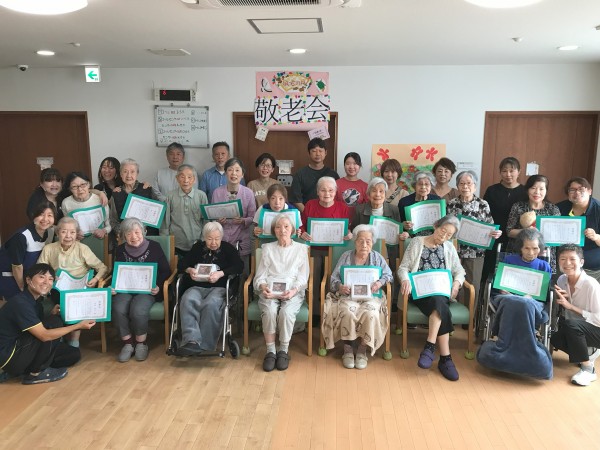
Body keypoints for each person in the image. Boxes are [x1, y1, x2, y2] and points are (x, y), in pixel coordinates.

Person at [477, 228, 553, 379]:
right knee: (514, 301)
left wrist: (529, 297)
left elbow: (544, 296)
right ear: (520, 248)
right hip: (507, 298)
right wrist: (503, 290)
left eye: (535, 248)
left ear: (540, 248)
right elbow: (499, 286)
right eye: (527, 248)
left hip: (532, 302)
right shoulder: (509, 260)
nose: (531, 252)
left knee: (525, 303)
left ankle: (506, 350)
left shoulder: (544, 266)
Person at [0, 264, 95, 385]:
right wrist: (78, 326)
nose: (46, 282)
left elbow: (36, 328)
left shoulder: (36, 303)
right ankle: (35, 373)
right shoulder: (20, 303)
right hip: (10, 356)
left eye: (50, 279)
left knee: (72, 354)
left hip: (23, 347)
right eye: (41, 277)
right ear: (28, 280)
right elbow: (44, 335)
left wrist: (51, 314)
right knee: (55, 322)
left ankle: (24, 370)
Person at [398, 215, 465, 381]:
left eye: (449, 235)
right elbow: (403, 267)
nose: (444, 236)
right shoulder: (417, 242)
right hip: (420, 292)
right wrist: (405, 280)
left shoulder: (449, 247)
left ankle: (430, 347)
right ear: (436, 226)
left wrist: (456, 284)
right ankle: (445, 358)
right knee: (440, 304)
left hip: (441, 292)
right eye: (443, 231)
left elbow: (459, 271)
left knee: (439, 300)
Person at [321, 224, 393, 369]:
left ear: (373, 242)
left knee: (371, 313)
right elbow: (334, 278)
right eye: (361, 241)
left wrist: (379, 283)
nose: (364, 245)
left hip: (371, 297)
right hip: (348, 297)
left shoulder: (377, 257)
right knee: (347, 311)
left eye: (368, 241)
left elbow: (389, 275)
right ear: (355, 242)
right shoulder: (346, 256)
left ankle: (362, 349)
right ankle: (347, 349)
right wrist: (340, 287)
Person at [37, 217, 109, 348]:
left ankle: (73, 341)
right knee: (63, 302)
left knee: (74, 302)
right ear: (57, 233)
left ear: (77, 234)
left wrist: (95, 279)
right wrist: (50, 277)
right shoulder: (49, 248)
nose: (68, 236)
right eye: (64, 232)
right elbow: (40, 270)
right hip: (58, 287)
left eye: (72, 232)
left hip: (80, 287)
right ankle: (59, 337)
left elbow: (102, 267)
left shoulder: (82, 248)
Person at [177, 222, 244, 356]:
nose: (213, 242)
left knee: (211, 304)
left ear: (221, 237)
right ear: (204, 237)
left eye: (217, 239)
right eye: (209, 239)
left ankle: (205, 344)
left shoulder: (228, 249)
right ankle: (191, 341)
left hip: (218, 287)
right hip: (196, 286)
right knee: (188, 300)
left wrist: (221, 273)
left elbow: (239, 266)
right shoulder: (197, 248)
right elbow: (182, 263)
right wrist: (190, 270)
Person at [254, 214, 310, 372]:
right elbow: (260, 275)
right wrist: (263, 286)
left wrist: (293, 290)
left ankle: (283, 350)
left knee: (286, 312)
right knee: (270, 310)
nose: (282, 230)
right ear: (274, 230)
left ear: (292, 229)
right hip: (270, 289)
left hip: (292, 289)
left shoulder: (301, 249)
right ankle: (271, 351)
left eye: (286, 226)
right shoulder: (267, 248)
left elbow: (303, 277)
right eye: (278, 227)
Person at [112, 218, 170, 362]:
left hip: (147, 290)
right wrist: (113, 286)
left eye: (137, 232)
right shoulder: (120, 250)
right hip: (125, 290)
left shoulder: (155, 247)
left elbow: (166, 271)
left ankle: (141, 343)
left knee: (138, 310)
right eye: (129, 234)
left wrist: (158, 286)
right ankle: (127, 343)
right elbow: (117, 272)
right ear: (124, 236)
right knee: (118, 308)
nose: (134, 237)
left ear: (144, 232)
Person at [447, 170, 501, 307]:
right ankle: (454, 314)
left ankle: (470, 316)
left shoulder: (483, 204)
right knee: (453, 283)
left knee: (473, 285)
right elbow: (446, 226)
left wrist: (495, 233)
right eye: (462, 183)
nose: (465, 186)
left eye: (469, 183)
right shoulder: (451, 203)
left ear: (475, 186)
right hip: (454, 250)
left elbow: (490, 226)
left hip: (475, 252)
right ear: (457, 186)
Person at [551, 244, 600, 386]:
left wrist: (570, 306)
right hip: (580, 328)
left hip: (596, 328)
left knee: (571, 325)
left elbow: (599, 319)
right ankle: (588, 353)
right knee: (555, 338)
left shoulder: (591, 284)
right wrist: (565, 300)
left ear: (581, 262)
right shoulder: (562, 280)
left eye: (572, 259)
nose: (567, 263)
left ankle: (588, 369)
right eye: (563, 259)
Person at [482, 156, 526, 287]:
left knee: (511, 272)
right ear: (500, 172)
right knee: (489, 270)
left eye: (512, 171)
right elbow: (484, 214)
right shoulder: (492, 190)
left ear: (519, 171)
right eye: (504, 171)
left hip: (516, 238)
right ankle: (486, 297)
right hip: (494, 236)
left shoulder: (525, 192)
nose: (508, 174)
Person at [0, 202, 56, 300]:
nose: (45, 219)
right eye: (41, 215)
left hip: (29, 277)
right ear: (33, 216)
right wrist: (23, 288)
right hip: (12, 278)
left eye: (50, 215)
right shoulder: (22, 236)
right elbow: (17, 267)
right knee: (18, 305)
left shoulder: (50, 232)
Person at [506, 174, 560, 271]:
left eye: (541, 189)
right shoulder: (518, 207)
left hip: (544, 255)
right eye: (533, 188)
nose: (537, 192)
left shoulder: (553, 209)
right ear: (527, 190)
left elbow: (558, 235)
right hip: (520, 254)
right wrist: (526, 231)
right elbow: (509, 231)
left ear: (546, 191)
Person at [211, 158, 256, 271]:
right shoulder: (217, 192)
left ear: (242, 174)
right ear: (226, 173)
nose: (234, 173)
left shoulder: (248, 193)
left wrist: (243, 220)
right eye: (230, 170)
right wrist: (218, 221)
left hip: (242, 240)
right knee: (221, 271)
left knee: (242, 272)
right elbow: (212, 217)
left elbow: (253, 217)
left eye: (237, 170)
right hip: (222, 239)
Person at [160, 164, 208, 265]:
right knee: (177, 270)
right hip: (176, 244)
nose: (186, 180)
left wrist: (203, 240)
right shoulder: (170, 196)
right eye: (182, 177)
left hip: (197, 243)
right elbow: (165, 222)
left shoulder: (201, 196)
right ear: (177, 178)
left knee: (195, 270)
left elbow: (206, 221)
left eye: (189, 177)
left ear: (194, 179)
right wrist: (166, 243)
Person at [557, 177, 600, 282]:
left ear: (589, 191)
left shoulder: (598, 209)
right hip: (565, 263)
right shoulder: (560, 208)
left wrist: (596, 237)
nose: (577, 193)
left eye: (581, 189)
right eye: (572, 190)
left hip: (591, 266)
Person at [109, 158, 157, 237]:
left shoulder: (147, 189)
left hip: (148, 236)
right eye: (125, 171)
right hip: (125, 237)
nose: (129, 175)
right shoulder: (116, 193)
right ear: (120, 174)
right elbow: (113, 220)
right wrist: (121, 233)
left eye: (132, 172)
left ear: (137, 173)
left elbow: (156, 214)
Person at [289, 138, 339, 213]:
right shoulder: (300, 174)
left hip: (329, 215)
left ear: (325, 152)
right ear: (309, 153)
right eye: (314, 151)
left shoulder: (333, 174)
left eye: (320, 151)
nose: (317, 154)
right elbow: (296, 200)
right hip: (307, 214)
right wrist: (309, 214)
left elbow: (337, 197)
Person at [61, 172, 111, 240]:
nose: (80, 189)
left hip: (100, 241)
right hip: (77, 242)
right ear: (70, 189)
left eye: (83, 185)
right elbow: (67, 227)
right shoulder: (66, 203)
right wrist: (74, 233)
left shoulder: (100, 199)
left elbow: (109, 225)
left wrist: (103, 231)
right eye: (74, 187)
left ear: (88, 184)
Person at [398, 171, 441, 237]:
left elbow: (443, 223)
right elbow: (399, 223)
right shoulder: (404, 202)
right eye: (420, 184)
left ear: (431, 186)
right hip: (411, 238)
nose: (423, 187)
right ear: (414, 186)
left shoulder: (437, 201)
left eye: (427, 184)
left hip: (434, 237)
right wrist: (403, 225)